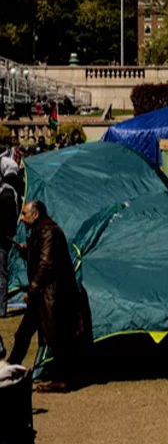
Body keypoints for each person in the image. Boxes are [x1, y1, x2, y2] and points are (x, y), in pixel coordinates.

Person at [7, 201, 91, 391]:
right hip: (44, 294)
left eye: (25, 214)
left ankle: (63, 379)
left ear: (35, 215)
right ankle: (11, 367)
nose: (22, 218)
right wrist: (26, 251)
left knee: (56, 337)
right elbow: (41, 256)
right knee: (24, 333)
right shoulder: (41, 231)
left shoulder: (47, 231)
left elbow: (46, 263)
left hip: (50, 294)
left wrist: (33, 288)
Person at [1, 158, 22, 318]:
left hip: (2, 240)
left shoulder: (7, 195)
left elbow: (7, 221)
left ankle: (1, 309)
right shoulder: (9, 193)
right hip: (5, 238)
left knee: (1, 275)